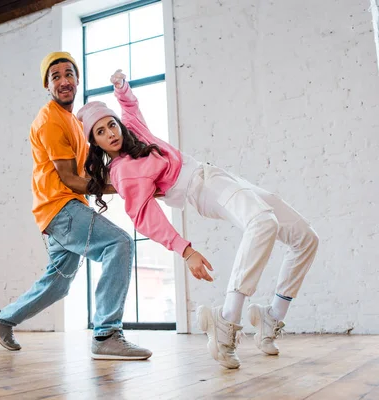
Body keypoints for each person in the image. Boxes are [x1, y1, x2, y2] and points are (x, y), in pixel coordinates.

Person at [78, 69, 319, 369]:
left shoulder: (135, 133)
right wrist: (185, 250)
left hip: (214, 174)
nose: (110, 133)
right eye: (100, 132)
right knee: (263, 222)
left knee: (305, 238)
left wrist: (121, 87)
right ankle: (227, 320)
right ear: (95, 143)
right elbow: (144, 216)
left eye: (110, 125)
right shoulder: (123, 171)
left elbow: (130, 107)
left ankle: (272, 318)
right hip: (201, 187)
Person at [0, 53, 152, 360]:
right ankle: (106, 334)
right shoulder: (49, 121)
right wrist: (124, 188)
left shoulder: (74, 122)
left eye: (69, 74)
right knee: (120, 243)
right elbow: (70, 180)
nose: (64, 81)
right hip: (61, 207)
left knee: (58, 284)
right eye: (55, 77)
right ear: (47, 86)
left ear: (77, 80)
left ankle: (3, 319)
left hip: (60, 210)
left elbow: (89, 172)